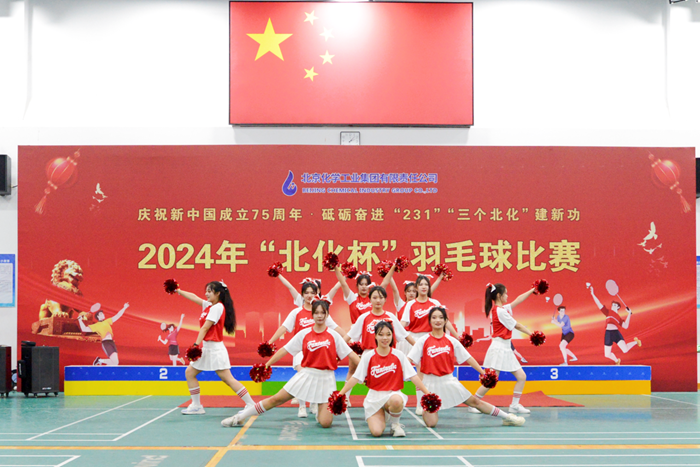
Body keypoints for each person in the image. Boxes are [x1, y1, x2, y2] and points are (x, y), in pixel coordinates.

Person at [222, 299, 360, 428]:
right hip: (307, 375)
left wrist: (365, 367)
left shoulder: (334, 336)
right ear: (312, 315)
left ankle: (319, 410)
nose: (319, 316)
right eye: (316, 312)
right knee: (275, 399)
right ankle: (240, 417)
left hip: (327, 379)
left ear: (327, 315)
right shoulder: (304, 334)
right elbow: (284, 350)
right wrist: (267, 365)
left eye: (322, 313)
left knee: (326, 423)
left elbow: (351, 354)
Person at [408, 307, 525, 427]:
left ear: (445, 321)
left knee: (475, 402)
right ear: (429, 321)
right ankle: (425, 409)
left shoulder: (452, 341)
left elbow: (468, 358)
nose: (437, 320)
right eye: (434, 317)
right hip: (429, 384)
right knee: (431, 424)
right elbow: (409, 360)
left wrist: (483, 373)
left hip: (449, 381)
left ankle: (508, 417)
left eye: (441, 317)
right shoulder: (423, 341)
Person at [267, 279, 348, 418]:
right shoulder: (296, 312)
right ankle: (302, 406)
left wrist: (350, 339)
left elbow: (336, 328)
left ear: (317, 293)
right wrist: (270, 342)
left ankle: (315, 403)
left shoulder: (321, 312)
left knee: (313, 376)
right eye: (306, 293)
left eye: (312, 293)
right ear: (302, 295)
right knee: (303, 373)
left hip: (317, 350)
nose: (309, 295)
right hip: (300, 350)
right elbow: (284, 328)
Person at [338, 321, 433, 437]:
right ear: (375, 336)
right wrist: (340, 394)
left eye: (388, 334)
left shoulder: (399, 355)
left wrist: (428, 393)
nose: (385, 338)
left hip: (392, 395)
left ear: (392, 336)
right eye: (381, 334)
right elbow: (355, 378)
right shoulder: (368, 356)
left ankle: (395, 425)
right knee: (376, 432)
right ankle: (380, 416)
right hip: (374, 398)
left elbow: (413, 376)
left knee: (396, 400)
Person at [174, 280, 254, 415]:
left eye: (210, 291)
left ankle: (251, 404)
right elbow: (194, 297)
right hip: (206, 348)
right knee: (190, 373)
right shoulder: (209, 305)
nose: (206, 294)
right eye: (206, 291)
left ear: (218, 293)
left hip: (215, 349)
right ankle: (196, 406)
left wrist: (195, 345)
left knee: (228, 379)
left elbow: (205, 327)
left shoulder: (217, 308)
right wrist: (178, 291)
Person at [471, 283, 537, 415]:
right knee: (492, 380)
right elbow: (517, 326)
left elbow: (518, 299)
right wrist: (533, 335)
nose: (507, 296)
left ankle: (514, 405)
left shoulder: (502, 309)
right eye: (505, 293)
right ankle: (473, 403)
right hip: (499, 348)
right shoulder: (500, 311)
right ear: (499, 296)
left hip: (506, 348)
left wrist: (532, 290)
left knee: (521, 376)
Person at [399, 274, 459, 415]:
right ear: (416, 287)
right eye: (421, 284)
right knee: (420, 373)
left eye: (426, 284)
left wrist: (457, 336)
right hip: (415, 340)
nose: (424, 287)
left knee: (427, 373)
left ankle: (430, 402)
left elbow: (445, 321)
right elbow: (403, 323)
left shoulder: (435, 303)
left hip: (431, 339)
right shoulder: (410, 304)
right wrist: (393, 330)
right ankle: (420, 404)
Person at [589, 286, 641, 364]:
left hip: (616, 333)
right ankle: (617, 360)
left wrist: (629, 314)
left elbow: (626, 326)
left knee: (625, 350)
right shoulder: (607, 312)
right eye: (612, 304)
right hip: (608, 334)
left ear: (618, 307)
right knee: (607, 354)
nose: (613, 306)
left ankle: (636, 342)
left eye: (615, 305)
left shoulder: (619, 318)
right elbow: (598, 304)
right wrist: (593, 294)